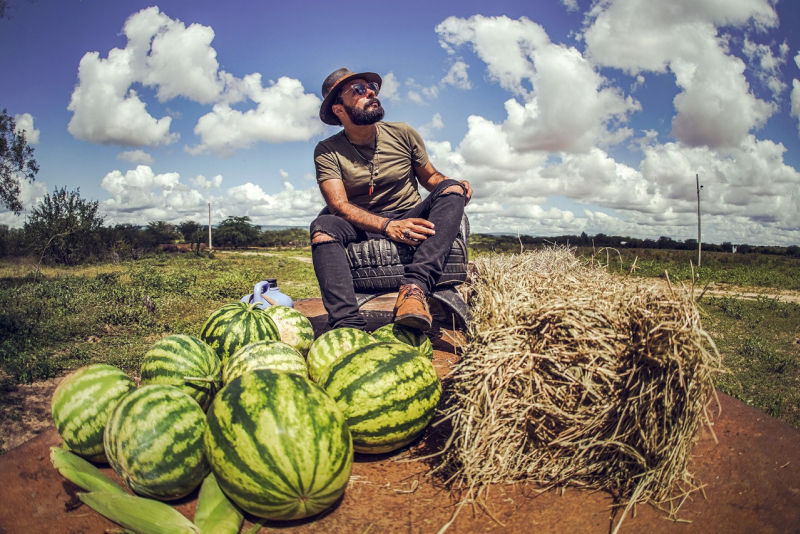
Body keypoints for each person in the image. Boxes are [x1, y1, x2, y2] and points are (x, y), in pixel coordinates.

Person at [310, 67, 472, 332]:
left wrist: (453, 185)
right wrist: (387, 226)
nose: (371, 92)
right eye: (359, 90)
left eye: (371, 88)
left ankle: (414, 292)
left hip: (411, 213)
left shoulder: (403, 133)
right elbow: (338, 206)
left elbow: (430, 177)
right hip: (362, 225)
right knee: (322, 227)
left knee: (451, 189)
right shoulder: (327, 150)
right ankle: (347, 325)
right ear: (339, 109)